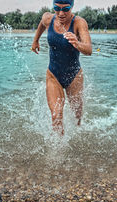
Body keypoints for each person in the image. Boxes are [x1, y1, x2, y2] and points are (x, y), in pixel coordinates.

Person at [31, 0, 92, 135]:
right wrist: (35, 40)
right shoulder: (48, 18)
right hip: (53, 75)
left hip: (74, 76)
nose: (61, 13)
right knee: (56, 116)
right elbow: (42, 24)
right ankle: (58, 153)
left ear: (72, 7)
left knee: (77, 115)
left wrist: (77, 43)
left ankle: (78, 134)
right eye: (57, 8)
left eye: (66, 9)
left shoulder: (79, 23)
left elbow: (88, 49)